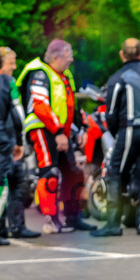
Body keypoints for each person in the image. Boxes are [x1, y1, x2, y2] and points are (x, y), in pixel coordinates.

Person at [16, 39, 94, 233]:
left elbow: (71, 106)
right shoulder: (40, 73)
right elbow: (40, 105)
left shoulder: (64, 75)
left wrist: (81, 129)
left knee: (74, 172)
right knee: (49, 175)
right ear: (56, 56)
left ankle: (73, 217)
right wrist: (58, 132)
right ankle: (50, 219)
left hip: (62, 132)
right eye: (69, 55)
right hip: (43, 129)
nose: (72, 59)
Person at [91, 38, 140, 237]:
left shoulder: (118, 78)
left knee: (115, 172)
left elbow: (111, 113)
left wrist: (118, 135)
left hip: (130, 129)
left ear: (121, 55)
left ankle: (113, 223)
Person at [0, 47, 28, 244]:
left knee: (14, 181)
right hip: (4, 139)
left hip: (5, 137)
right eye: (11, 62)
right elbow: (19, 116)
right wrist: (20, 141)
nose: (15, 67)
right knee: (3, 185)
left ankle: (12, 228)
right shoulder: (8, 83)